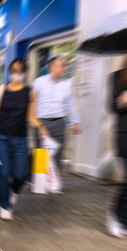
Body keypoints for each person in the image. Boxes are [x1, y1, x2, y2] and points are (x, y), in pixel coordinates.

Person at [0, 59, 48, 221]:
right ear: (9, 72)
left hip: (21, 138)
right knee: (3, 173)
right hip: (0, 137)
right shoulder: (1, 90)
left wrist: (41, 127)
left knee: (22, 174)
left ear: (25, 73)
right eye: (13, 70)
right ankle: (4, 206)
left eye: (19, 71)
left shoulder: (31, 92)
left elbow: (31, 116)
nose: (16, 74)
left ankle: (13, 190)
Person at [32, 56, 81, 192]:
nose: (62, 69)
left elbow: (71, 104)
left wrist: (75, 121)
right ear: (51, 67)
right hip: (42, 122)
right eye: (59, 66)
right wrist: (35, 123)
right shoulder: (39, 82)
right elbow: (32, 103)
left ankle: (54, 184)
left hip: (60, 122)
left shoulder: (66, 85)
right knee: (42, 153)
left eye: (64, 66)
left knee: (58, 153)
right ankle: (40, 184)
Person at [107, 56, 127, 238]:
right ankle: (116, 216)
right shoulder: (117, 77)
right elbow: (112, 107)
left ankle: (123, 218)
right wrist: (123, 100)